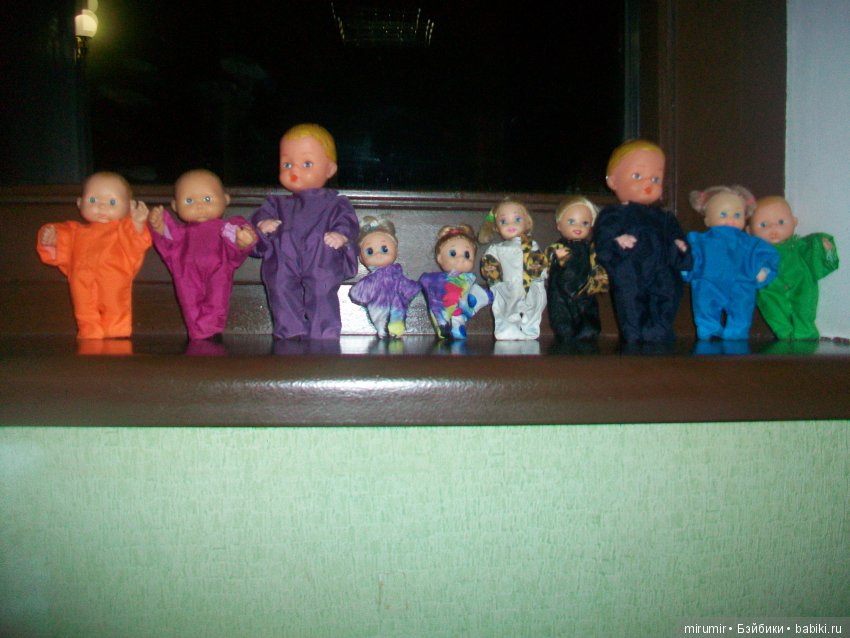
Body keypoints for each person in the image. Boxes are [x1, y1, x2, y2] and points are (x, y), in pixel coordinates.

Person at [251, 124, 359, 339]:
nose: (295, 170)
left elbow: (347, 222)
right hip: (283, 256)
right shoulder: (276, 203)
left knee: (322, 288)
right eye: (287, 164)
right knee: (280, 287)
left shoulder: (335, 203)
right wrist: (263, 226)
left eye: (307, 163)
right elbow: (256, 226)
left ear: (329, 169)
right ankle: (289, 330)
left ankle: (324, 332)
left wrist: (341, 234)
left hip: (321, 254)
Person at [593, 139, 692, 342]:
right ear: (613, 181)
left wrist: (681, 247)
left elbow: (679, 241)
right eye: (637, 176)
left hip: (663, 271)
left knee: (667, 299)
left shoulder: (665, 217)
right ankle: (634, 335)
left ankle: (660, 331)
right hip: (630, 271)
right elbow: (603, 242)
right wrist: (617, 243)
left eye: (656, 179)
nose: (648, 183)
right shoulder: (614, 214)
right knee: (630, 304)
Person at [36, 171, 151, 339]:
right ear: (80, 203)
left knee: (114, 305)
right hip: (81, 279)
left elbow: (136, 242)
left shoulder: (122, 229)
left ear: (129, 206)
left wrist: (137, 223)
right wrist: (53, 239)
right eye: (92, 200)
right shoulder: (75, 231)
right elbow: (63, 240)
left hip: (113, 277)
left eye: (112, 202)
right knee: (83, 309)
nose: (102, 207)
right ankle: (88, 332)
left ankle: (116, 332)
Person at [148, 169, 257, 341]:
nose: (199, 206)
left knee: (217, 299)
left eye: (207, 199)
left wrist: (242, 241)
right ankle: (198, 333)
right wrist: (159, 225)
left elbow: (236, 248)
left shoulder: (227, 227)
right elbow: (169, 242)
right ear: (175, 206)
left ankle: (209, 330)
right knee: (188, 301)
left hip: (219, 268)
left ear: (226, 199)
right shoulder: (181, 232)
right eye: (189, 201)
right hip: (186, 271)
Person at [683, 185, 779, 340]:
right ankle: (708, 332)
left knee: (741, 312)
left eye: (737, 214)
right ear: (707, 219)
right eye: (723, 214)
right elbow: (692, 255)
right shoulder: (700, 240)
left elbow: (765, 254)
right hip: (709, 282)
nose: (731, 219)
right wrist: (688, 268)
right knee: (705, 309)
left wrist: (764, 269)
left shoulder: (749, 242)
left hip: (741, 283)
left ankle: (736, 336)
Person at [748, 196, 839, 339]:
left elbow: (820, 261)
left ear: (794, 222)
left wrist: (826, 250)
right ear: (750, 231)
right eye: (764, 225)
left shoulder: (801, 247)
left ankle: (806, 336)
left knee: (804, 311)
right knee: (774, 314)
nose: (773, 228)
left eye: (780, 222)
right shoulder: (756, 253)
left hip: (802, 288)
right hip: (770, 292)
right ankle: (784, 337)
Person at [478, 198, 548, 340]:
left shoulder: (532, 246)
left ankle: (530, 329)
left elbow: (540, 262)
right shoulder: (496, 249)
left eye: (517, 219)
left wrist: (539, 269)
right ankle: (506, 330)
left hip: (530, 285)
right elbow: (488, 265)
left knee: (534, 305)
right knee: (505, 308)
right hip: (508, 286)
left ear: (527, 223)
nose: (511, 224)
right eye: (504, 221)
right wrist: (489, 270)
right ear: (496, 227)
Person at [545, 196, 608, 340]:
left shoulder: (589, 249)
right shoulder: (558, 248)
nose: (578, 227)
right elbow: (544, 265)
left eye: (585, 223)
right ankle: (566, 334)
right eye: (571, 222)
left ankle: (587, 334)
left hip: (584, 293)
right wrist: (555, 258)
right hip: (561, 294)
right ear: (559, 225)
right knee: (563, 320)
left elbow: (597, 267)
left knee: (588, 319)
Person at [348, 216, 420, 338]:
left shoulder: (396, 274)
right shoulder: (370, 280)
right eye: (370, 251)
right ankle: (383, 328)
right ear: (361, 258)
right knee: (379, 315)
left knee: (398, 305)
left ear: (396, 252)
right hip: (377, 305)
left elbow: (407, 286)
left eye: (384, 249)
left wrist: (410, 289)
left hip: (396, 303)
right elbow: (358, 292)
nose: (378, 254)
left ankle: (396, 324)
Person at [419, 224, 493, 340]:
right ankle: (445, 324)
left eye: (467, 255)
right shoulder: (438, 280)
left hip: (461, 309)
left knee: (463, 314)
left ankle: (455, 326)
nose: (461, 258)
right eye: (453, 254)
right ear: (440, 258)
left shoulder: (468, 279)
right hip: (445, 308)